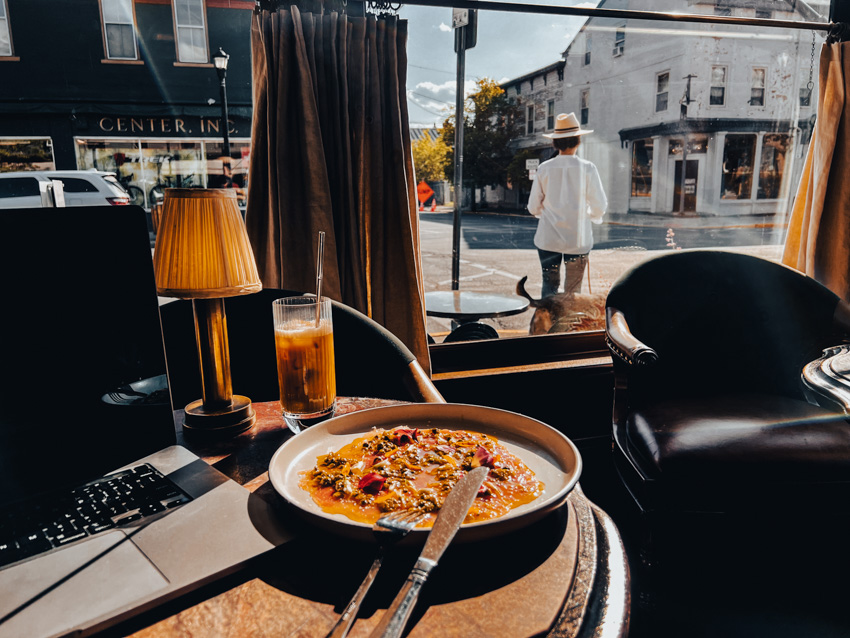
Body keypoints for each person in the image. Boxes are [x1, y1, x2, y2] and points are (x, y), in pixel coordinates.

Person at [527, 112, 607, 298]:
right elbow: (599, 205)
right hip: (577, 240)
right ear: (578, 141)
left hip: (548, 239)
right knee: (573, 292)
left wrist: (545, 213)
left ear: (555, 143)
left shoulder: (544, 168)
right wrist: (591, 215)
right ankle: (566, 326)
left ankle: (547, 325)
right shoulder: (588, 168)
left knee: (549, 286)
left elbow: (533, 207)